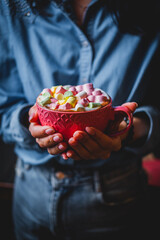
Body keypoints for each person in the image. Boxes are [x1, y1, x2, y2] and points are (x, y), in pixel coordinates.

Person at [0, 0, 160, 239]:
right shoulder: (12, 5)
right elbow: (4, 103)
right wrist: (26, 121)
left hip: (116, 191)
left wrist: (132, 130)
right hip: (31, 189)